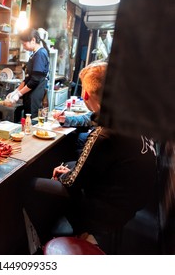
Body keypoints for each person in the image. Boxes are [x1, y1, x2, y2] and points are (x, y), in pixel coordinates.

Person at [23, 61, 157, 249]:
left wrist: (63, 175)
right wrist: (69, 169)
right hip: (132, 200)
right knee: (69, 164)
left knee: (31, 185)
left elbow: (72, 182)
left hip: (109, 209)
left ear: (85, 94)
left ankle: (49, 242)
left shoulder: (104, 134)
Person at [6, 28, 50, 117]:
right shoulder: (34, 54)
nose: (24, 47)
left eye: (24, 44)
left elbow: (35, 80)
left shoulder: (40, 54)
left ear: (33, 40)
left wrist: (19, 94)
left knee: (31, 123)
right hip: (30, 96)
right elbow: (28, 78)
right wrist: (16, 91)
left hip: (34, 98)